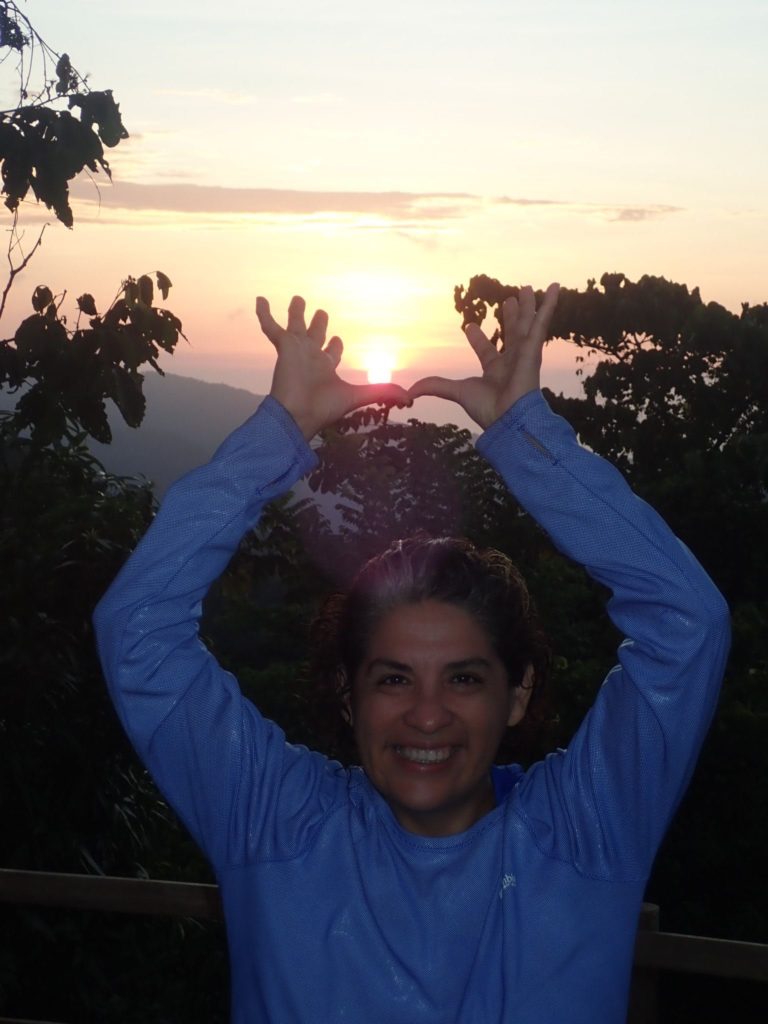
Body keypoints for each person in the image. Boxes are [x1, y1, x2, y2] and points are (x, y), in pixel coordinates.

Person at [93, 284, 730, 1023]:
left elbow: (689, 624)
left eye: (463, 677)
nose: (427, 716)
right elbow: (135, 628)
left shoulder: (587, 828)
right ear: (347, 693)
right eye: (394, 678)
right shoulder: (273, 823)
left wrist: (529, 438)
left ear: (518, 693)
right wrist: (280, 432)